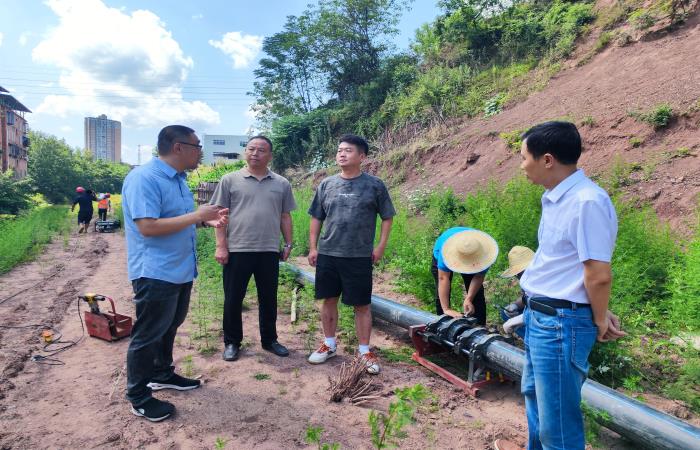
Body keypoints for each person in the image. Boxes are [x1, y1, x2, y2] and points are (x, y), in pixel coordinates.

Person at [493, 121, 626, 450]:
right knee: (537, 404)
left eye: (524, 157)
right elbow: (568, 266)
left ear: (547, 160)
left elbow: (598, 273)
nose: (521, 165)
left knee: (558, 425)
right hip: (542, 318)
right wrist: (595, 306)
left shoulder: (587, 202)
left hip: (560, 324)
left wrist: (598, 317)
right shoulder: (556, 199)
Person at [121, 125, 229, 422]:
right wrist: (197, 215)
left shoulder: (179, 179)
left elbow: (175, 220)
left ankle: (161, 373)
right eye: (197, 146)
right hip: (155, 271)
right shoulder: (145, 178)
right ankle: (139, 397)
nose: (200, 153)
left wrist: (204, 222)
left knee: (170, 325)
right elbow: (147, 226)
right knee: (148, 334)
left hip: (179, 269)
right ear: (178, 147)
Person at [307, 134, 395, 374]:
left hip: (359, 255)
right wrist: (313, 247)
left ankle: (364, 351)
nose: (342, 154)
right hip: (329, 253)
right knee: (328, 300)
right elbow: (316, 218)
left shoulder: (375, 185)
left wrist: (380, 246)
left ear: (362, 156)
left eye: (348, 150)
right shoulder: (327, 184)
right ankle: (329, 344)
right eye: (339, 150)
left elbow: (387, 217)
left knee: (362, 304)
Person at [210, 135, 297, 362]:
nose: (255, 153)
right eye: (251, 149)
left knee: (268, 298)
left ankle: (270, 340)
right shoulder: (229, 180)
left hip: (268, 250)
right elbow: (219, 216)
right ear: (245, 152)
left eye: (261, 150)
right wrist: (221, 246)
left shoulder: (281, 183)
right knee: (233, 298)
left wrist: (288, 243)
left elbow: (285, 216)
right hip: (237, 249)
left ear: (270, 155)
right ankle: (232, 342)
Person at [431, 227, 498, 325]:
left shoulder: (485, 254)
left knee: (477, 294)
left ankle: (480, 326)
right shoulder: (445, 253)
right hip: (445, 250)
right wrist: (446, 309)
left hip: (474, 251)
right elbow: (443, 278)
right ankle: (441, 324)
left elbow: (478, 277)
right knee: (441, 296)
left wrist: (469, 298)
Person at [499, 245, 535, 338]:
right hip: (535, 311)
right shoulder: (526, 278)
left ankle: (534, 339)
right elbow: (527, 297)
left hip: (549, 315)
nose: (518, 277)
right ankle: (529, 336)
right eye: (517, 275)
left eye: (520, 273)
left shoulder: (546, 278)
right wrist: (515, 305)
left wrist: (522, 318)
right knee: (505, 312)